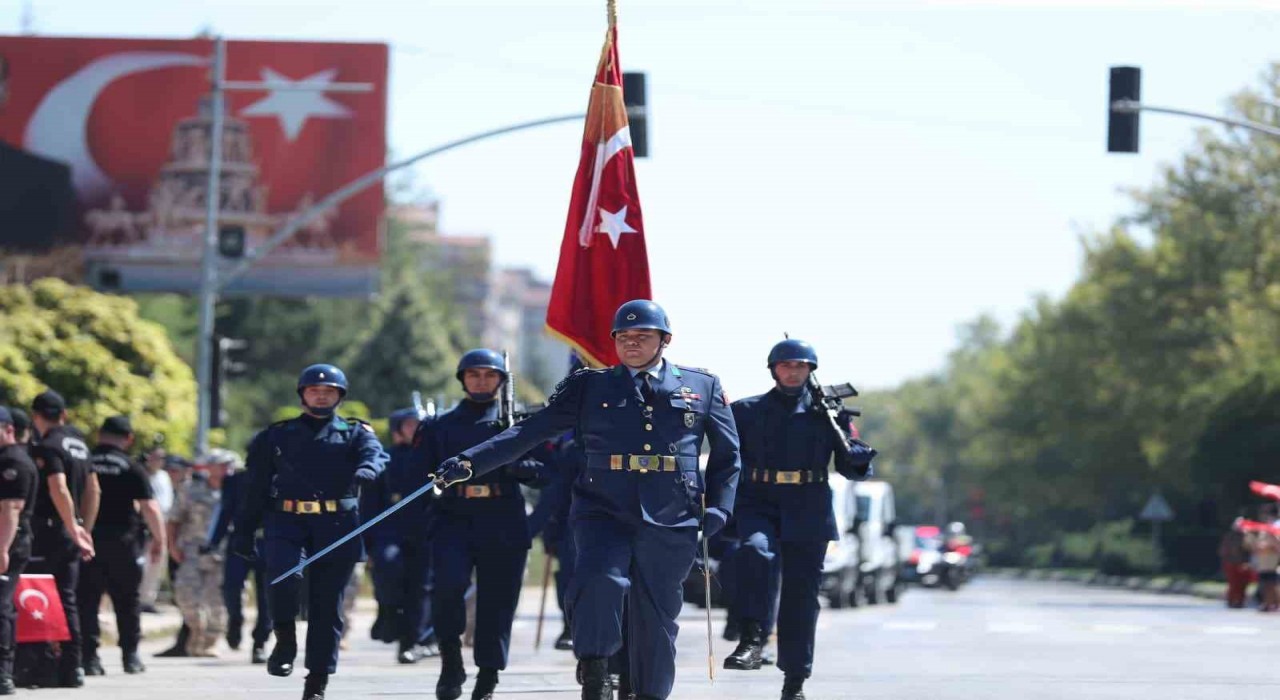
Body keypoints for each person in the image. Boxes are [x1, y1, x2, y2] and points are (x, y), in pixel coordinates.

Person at [432, 300, 741, 700]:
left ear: (665, 340)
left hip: (672, 514)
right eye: (623, 336)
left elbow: (728, 455)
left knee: (657, 617)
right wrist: (470, 462)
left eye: (642, 336)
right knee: (599, 580)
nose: (631, 343)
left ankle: (649, 693)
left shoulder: (702, 385)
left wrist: (720, 508)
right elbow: (529, 432)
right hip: (603, 509)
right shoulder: (589, 385)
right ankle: (595, 666)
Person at [722, 339, 876, 700]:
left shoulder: (829, 413)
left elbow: (852, 468)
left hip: (809, 505)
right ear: (773, 370)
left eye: (800, 366)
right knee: (755, 553)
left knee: (801, 597)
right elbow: (726, 461)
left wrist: (856, 453)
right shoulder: (746, 411)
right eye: (786, 365)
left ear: (810, 370)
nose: (793, 372)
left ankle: (795, 680)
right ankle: (752, 638)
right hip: (759, 500)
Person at [232, 364, 387, 700]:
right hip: (287, 521)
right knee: (284, 578)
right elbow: (255, 487)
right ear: (302, 394)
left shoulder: (355, 433)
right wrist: (243, 530)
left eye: (329, 391)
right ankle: (284, 638)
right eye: (314, 390)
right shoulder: (276, 435)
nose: (321, 395)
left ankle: (317, 682)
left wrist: (367, 469)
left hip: (337, 525)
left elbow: (376, 456)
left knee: (326, 607)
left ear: (340, 396)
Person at [412, 349, 545, 700]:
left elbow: (546, 472)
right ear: (462, 379)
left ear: (501, 380)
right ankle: (450, 661)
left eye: (489, 375)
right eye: (474, 374)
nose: (482, 381)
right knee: (447, 589)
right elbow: (417, 476)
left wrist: (519, 466)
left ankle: (488, 676)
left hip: (502, 516)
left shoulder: (519, 425)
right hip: (453, 516)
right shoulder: (438, 426)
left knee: (497, 601)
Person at [79, 416, 166, 676]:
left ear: (99, 434)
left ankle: (90, 658)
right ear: (128, 439)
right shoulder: (131, 467)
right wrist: (159, 540)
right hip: (123, 543)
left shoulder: (85, 461)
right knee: (127, 600)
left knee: (87, 600)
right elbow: (150, 507)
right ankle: (130, 656)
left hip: (88, 541)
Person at [27, 390, 96, 688]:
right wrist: (84, 529)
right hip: (71, 530)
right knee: (68, 597)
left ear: (35, 416)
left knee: (38, 594)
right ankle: (73, 665)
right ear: (64, 415)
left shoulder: (47, 446)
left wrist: (71, 526)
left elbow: (58, 486)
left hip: (50, 530)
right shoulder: (80, 444)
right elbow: (94, 489)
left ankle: (43, 664)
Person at [366, 407, 437, 663]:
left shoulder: (433, 457)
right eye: (408, 424)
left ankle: (410, 643)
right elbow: (369, 504)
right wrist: (368, 543)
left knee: (420, 588)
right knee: (388, 567)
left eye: (418, 424)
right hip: (390, 531)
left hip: (424, 531)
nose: (413, 429)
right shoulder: (385, 458)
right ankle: (387, 612)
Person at [207, 448, 272, 663]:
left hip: (270, 543)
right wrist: (213, 542)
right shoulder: (234, 481)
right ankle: (235, 620)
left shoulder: (282, 480)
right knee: (231, 587)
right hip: (241, 540)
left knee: (267, 597)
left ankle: (260, 642)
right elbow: (225, 512)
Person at [0, 407, 39, 695]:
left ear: (9, 429)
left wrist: (2, 548)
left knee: (1, 606)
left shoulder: (15, 461)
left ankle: (3, 673)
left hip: (9, 540)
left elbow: (12, 508)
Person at [139, 443, 173, 614]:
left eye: (162, 458)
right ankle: (138, 599)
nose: (159, 461)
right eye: (155, 457)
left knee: (157, 564)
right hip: (145, 524)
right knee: (143, 563)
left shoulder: (164, 476)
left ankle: (148, 599)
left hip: (164, 521)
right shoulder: (142, 474)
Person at [1220, 510, 1253, 608]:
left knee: (1243, 583)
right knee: (1233, 583)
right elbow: (1223, 550)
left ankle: (1240, 601)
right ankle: (1231, 600)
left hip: (1244, 563)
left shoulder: (1248, 536)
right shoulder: (1229, 536)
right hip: (1231, 563)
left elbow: (1251, 548)